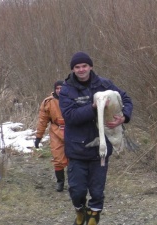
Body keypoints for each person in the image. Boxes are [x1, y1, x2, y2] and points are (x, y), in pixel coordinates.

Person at [59, 52, 133, 225]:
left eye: (84, 66)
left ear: (90, 67)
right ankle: (80, 210)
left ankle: (94, 216)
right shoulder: (66, 90)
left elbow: (126, 100)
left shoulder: (104, 84)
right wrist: (93, 107)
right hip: (77, 149)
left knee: (97, 191)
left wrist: (124, 117)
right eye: (77, 67)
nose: (81, 70)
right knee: (77, 191)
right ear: (73, 70)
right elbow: (70, 116)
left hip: (100, 149)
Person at [34, 80, 68, 192]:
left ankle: (75, 182)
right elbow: (42, 121)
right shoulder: (48, 102)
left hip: (72, 130)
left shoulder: (72, 99)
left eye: (62, 88)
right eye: (57, 88)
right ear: (54, 89)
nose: (59, 90)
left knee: (75, 157)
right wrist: (39, 137)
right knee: (58, 158)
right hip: (56, 131)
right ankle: (60, 182)